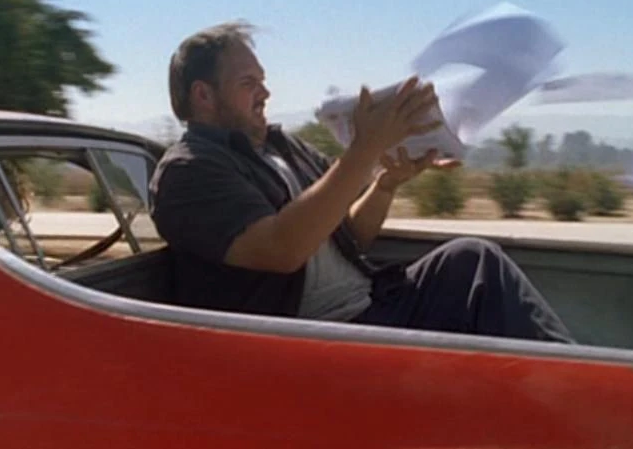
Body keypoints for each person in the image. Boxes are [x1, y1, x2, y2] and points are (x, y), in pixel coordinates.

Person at [149, 21, 574, 343]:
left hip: (371, 306)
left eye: (262, 81)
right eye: (248, 84)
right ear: (203, 95)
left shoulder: (281, 147)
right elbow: (281, 249)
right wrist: (364, 150)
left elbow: (347, 236)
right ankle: (582, 391)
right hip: (314, 339)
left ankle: (575, 376)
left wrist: (385, 185)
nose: (265, 93)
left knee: (471, 261)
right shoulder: (189, 172)